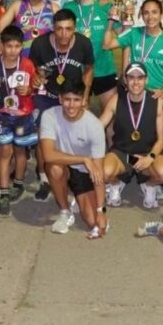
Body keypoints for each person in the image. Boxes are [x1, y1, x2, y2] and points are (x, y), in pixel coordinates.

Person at [29, 9, 95, 201]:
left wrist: (85, 96)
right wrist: (35, 77)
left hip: (72, 98)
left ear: (75, 28)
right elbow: (33, 69)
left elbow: (89, 69)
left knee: (73, 136)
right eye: (59, 29)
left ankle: (74, 173)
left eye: (68, 29)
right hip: (47, 96)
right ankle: (44, 178)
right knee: (44, 137)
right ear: (53, 28)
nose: (64, 34)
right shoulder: (40, 44)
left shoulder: (83, 43)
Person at [99, 62, 163, 210]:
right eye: (131, 78)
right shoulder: (116, 99)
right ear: (125, 80)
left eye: (140, 78)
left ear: (146, 80)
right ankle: (115, 184)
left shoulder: (157, 101)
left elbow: (161, 139)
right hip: (121, 153)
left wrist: (150, 157)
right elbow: (98, 126)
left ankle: (149, 185)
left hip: (146, 152)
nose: (136, 82)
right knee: (104, 172)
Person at [39, 84, 108, 238]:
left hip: (84, 172)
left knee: (93, 223)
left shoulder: (95, 125)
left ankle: (79, 197)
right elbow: (48, 155)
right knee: (54, 168)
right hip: (63, 165)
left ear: (84, 101)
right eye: (67, 99)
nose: (71, 105)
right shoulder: (49, 116)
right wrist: (84, 159)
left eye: (76, 100)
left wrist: (100, 210)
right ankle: (65, 211)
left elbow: (98, 173)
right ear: (60, 99)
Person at [0, 26, 38, 214]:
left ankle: (19, 183)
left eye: (17, 46)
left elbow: (36, 87)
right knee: (6, 151)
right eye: (9, 46)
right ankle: (4, 192)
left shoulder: (28, 65)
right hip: (3, 115)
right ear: (2, 46)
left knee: (20, 150)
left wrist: (29, 90)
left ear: (22, 46)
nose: (13, 51)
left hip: (23, 115)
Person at [103, 0, 163, 97]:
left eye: (154, 12)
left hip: (156, 93)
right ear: (141, 14)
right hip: (134, 91)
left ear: (161, 15)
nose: (150, 17)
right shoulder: (133, 33)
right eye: (146, 13)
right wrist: (111, 21)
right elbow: (107, 45)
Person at [63, 0, 117, 109]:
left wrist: (125, 15)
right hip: (77, 69)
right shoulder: (68, 8)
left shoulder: (106, 6)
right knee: (78, 111)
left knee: (110, 112)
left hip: (104, 68)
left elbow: (123, 33)